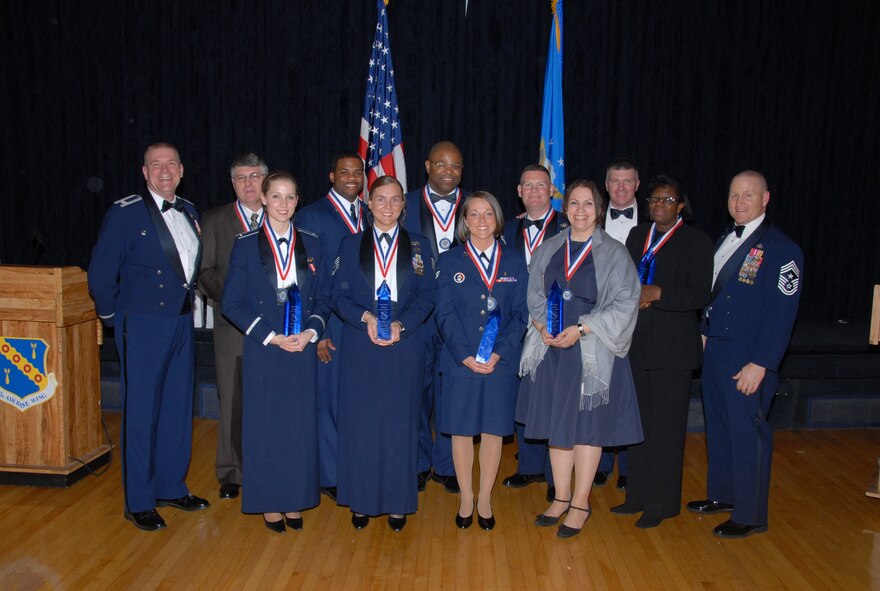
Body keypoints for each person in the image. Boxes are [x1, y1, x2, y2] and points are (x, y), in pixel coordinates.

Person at [88, 142, 209, 531]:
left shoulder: (189, 211)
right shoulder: (126, 213)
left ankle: (171, 486)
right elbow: (101, 274)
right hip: (142, 324)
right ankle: (139, 500)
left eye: (171, 163)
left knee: (177, 408)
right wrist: (114, 319)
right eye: (156, 165)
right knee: (141, 414)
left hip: (180, 322)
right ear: (144, 172)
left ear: (182, 170)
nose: (164, 170)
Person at [516, 179, 642, 539]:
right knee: (557, 428)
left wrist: (582, 328)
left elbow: (626, 302)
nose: (581, 210)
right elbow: (533, 293)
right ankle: (561, 497)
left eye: (588, 204)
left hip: (591, 353)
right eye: (574, 203)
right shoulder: (550, 247)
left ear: (599, 209)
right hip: (553, 351)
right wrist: (542, 326)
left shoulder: (614, 253)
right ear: (565, 208)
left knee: (587, 430)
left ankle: (581, 503)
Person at [687, 170, 802, 538]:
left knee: (747, 432)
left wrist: (762, 363)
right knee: (720, 426)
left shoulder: (782, 249)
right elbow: (715, 295)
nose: (739, 202)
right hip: (717, 348)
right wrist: (704, 333)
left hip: (748, 356)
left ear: (765, 199)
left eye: (748, 195)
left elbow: (781, 316)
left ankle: (750, 515)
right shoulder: (725, 238)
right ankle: (723, 494)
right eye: (734, 195)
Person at [221, 171, 328, 533]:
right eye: (277, 196)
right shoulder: (245, 245)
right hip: (265, 350)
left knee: (299, 428)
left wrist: (311, 332)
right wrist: (271, 337)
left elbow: (324, 298)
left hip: (301, 350)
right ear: (264, 199)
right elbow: (232, 304)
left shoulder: (312, 243)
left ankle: (295, 498)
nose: (284, 204)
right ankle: (268, 501)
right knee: (265, 428)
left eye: (290, 197)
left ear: (298, 201)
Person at [333, 176, 436, 532]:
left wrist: (401, 325)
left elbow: (429, 295)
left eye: (395, 200)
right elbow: (338, 295)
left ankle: (397, 503)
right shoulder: (350, 244)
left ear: (403, 204)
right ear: (368, 202)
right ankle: (360, 501)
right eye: (380, 199)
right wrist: (366, 318)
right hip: (361, 344)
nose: (387, 207)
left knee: (401, 425)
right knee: (360, 425)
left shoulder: (421, 246)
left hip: (405, 344)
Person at [610, 175, 713, 528]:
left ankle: (662, 504)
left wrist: (658, 293)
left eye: (667, 200)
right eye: (654, 199)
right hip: (636, 344)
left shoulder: (696, 241)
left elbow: (700, 294)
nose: (659, 205)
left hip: (672, 350)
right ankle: (636, 495)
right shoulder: (637, 235)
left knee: (666, 429)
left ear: (681, 205)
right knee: (638, 424)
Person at [435, 192, 528, 530]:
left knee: (492, 431)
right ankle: (466, 497)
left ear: (497, 218)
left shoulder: (514, 260)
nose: (482, 220)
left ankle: (485, 498)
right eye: (473, 214)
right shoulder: (449, 261)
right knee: (461, 432)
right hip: (460, 363)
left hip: (499, 364)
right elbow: (443, 313)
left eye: (488, 213)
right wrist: (465, 356)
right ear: (465, 221)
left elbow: (520, 314)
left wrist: (499, 352)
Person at [295, 152, 366, 501]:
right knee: (328, 400)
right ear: (332, 176)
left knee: (356, 399)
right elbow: (308, 276)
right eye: (344, 172)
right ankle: (331, 474)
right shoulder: (310, 216)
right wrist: (318, 331)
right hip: (330, 324)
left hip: (363, 321)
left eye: (357, 172)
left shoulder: (372, 212)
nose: (351, 177)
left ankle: (355, 467)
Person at [197, 152, 268, 500]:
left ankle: (270, 466)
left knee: (270, 402)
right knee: (231, 402)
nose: (248, 183)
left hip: (276, 331)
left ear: (265, 180)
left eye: (254, 176)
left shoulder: (282, 213)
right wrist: (234, 299)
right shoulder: (214, 220)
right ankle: (231, 472)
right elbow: (204, 273)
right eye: (241, 177)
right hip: (232, 329)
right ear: (232, 183)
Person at [403, 141, 467, 494]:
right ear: (428, 166)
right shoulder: (403, 204)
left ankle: (447, 464)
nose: (448, 171)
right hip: (417, 316)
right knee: (415, 392)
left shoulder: (477, 207)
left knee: (451, 393)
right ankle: (416, 463)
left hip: (459, 318)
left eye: (455, 166)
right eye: (441, 164)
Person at [501, 164, 569, 501]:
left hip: (555, 321)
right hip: (516, 320)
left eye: (541, 185)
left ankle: (557, 475)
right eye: (527, 186)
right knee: (522, 395)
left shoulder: (570, 226)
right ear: (519, 191)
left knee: (554, 395)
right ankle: (529, 465)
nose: (534, 191)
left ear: (551, 190)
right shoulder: (507, 228)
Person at [597, 157, 642, 489]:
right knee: (599, 389)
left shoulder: (655, 223)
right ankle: (599, 462)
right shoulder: (590, 219)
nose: (621, 187)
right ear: (606, 185)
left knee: (631, 395)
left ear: (637, 185)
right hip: (599, 321)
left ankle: (629, 465)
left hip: (640, 322)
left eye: (628, 181)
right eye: (615, 181)